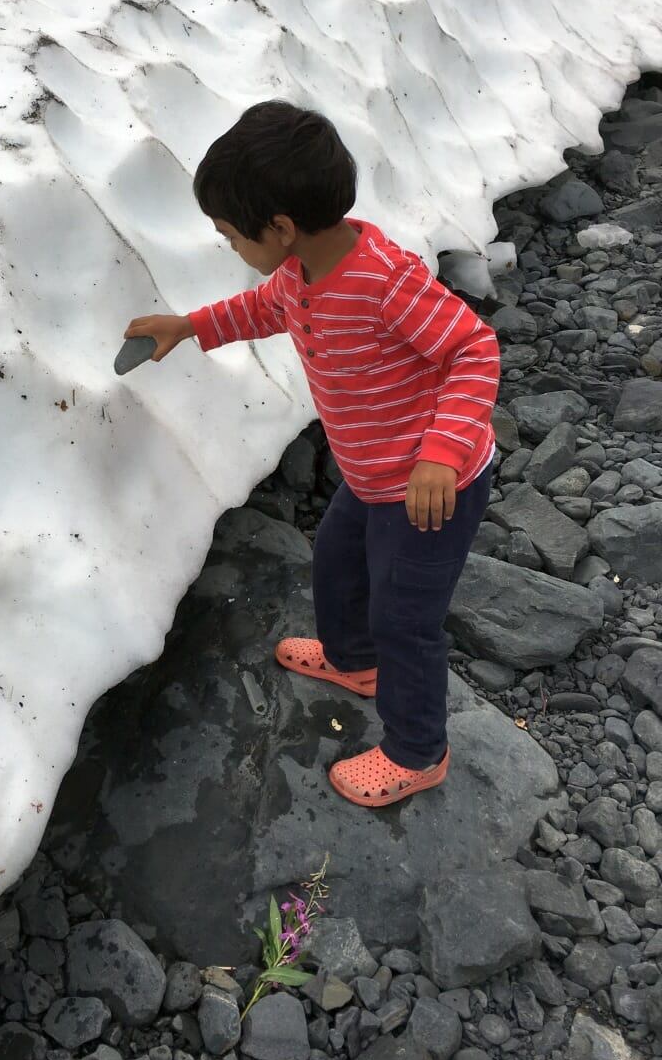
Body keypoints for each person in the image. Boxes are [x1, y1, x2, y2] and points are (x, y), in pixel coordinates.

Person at [123, 100, 501, 808]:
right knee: (335, 560)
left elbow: (474, 350)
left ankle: (419, 751)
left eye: (232, 236)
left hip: (429, 490)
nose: (230, 246)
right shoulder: (302, 272)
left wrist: (440, 456)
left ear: (280, 227)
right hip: (370, 475)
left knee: (406, 619)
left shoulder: (385, 281)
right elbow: (264, 308)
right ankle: (355, 662)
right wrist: (189, 327)